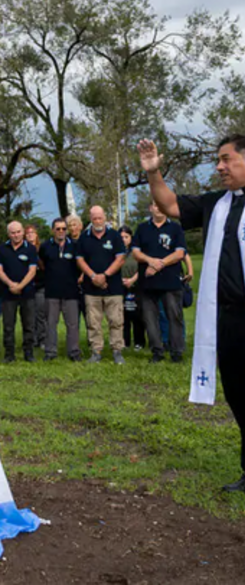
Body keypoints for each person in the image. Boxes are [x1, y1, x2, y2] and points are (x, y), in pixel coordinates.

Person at [139, 135, 245, 493]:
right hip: (229, 318)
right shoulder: (218, 204)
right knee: (238, 392)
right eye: (219, 160)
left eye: (226, 160)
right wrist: (153, 173)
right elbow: (169, 205)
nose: (219, 167)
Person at [132, 202, 187, 363]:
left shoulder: (175, 228)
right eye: (155, 206)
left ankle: (176, 352)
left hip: (170, 282)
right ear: (150, 208)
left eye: (162, 206)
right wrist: (150, 261)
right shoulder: (142, 228)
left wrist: (160, 264)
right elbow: (135, 252)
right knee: (150, 319)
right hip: (147, 283)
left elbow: (180, 253)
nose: (159, 209)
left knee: (174, 317)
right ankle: (157, 351)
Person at [76, 205, 127, 364]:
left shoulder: (115, 236)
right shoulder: (84, 237)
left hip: (113, 287)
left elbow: (120, 259)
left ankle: (117, 351)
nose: (97, 221)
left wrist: (105, 275)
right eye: (94, 218)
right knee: (93, 322)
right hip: (91, 288)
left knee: (116, 321)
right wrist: (92, 276)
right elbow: (79, 259)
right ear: (90, 219)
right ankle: (96, 351)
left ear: (105, 217)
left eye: (100, 217)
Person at [39, 218, 82, 361]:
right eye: (58, 229)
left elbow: (82, 264)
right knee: (50, 323)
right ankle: (50, 352)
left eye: (64, 228)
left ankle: (74, 352)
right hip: (52, 291)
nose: (61, 231)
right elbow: (42, 264)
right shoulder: (45, 246)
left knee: (73, 324)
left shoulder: (75, 246)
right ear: (53, 230)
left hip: (71, 292)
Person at [0, 221, 38, 363]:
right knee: (8, 325)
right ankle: (9, 355)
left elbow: (32, 271)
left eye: (18, 232)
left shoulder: (30, 249)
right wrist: (10, 284)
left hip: (27, 293)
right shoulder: (2, 249)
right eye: (13, 232)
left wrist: (20, 286)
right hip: (8, 293)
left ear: (23, 232)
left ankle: (29, 353)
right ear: (9, 234)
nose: (16, 235)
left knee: (29, 325)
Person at [119, 225, 145, 350]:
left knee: (137, 315)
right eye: (121, 237)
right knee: (123, 316)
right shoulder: (117, 251)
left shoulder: (136, 251)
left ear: (131, 237)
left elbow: (142, 268)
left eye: (126, 237)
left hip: (135, 285)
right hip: (120, 286)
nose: (123, 239)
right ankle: (125, 342)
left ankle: (139, 342)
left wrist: (132, 280)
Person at [25, 225, 47, 348]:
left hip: (40, 285)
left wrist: (36, 256)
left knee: (41, 314)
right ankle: (31, 340)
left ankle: (42, 339)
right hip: (28, 286)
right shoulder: (23, 249)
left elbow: (44, 267)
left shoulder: (42, 249)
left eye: (32, 233)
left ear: (36, 235)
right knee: (29, 315)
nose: (30, 235)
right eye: (27, 233)